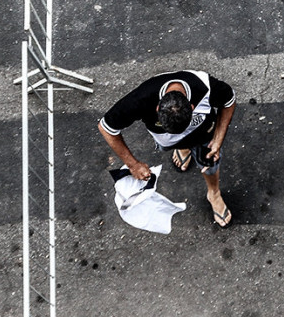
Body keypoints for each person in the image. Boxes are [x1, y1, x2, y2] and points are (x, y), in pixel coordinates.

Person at [98, 69, 236, 227]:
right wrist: (133, 164)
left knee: (210, 166)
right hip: (166, 142)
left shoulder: (206, 86)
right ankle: (183, 148)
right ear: (157, 108)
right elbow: (106, 128)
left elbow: (229, 100)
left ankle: (214, 193)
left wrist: (218, 139)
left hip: (204, 137)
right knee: (172, 144)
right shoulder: (140, 99)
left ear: (192, 107)